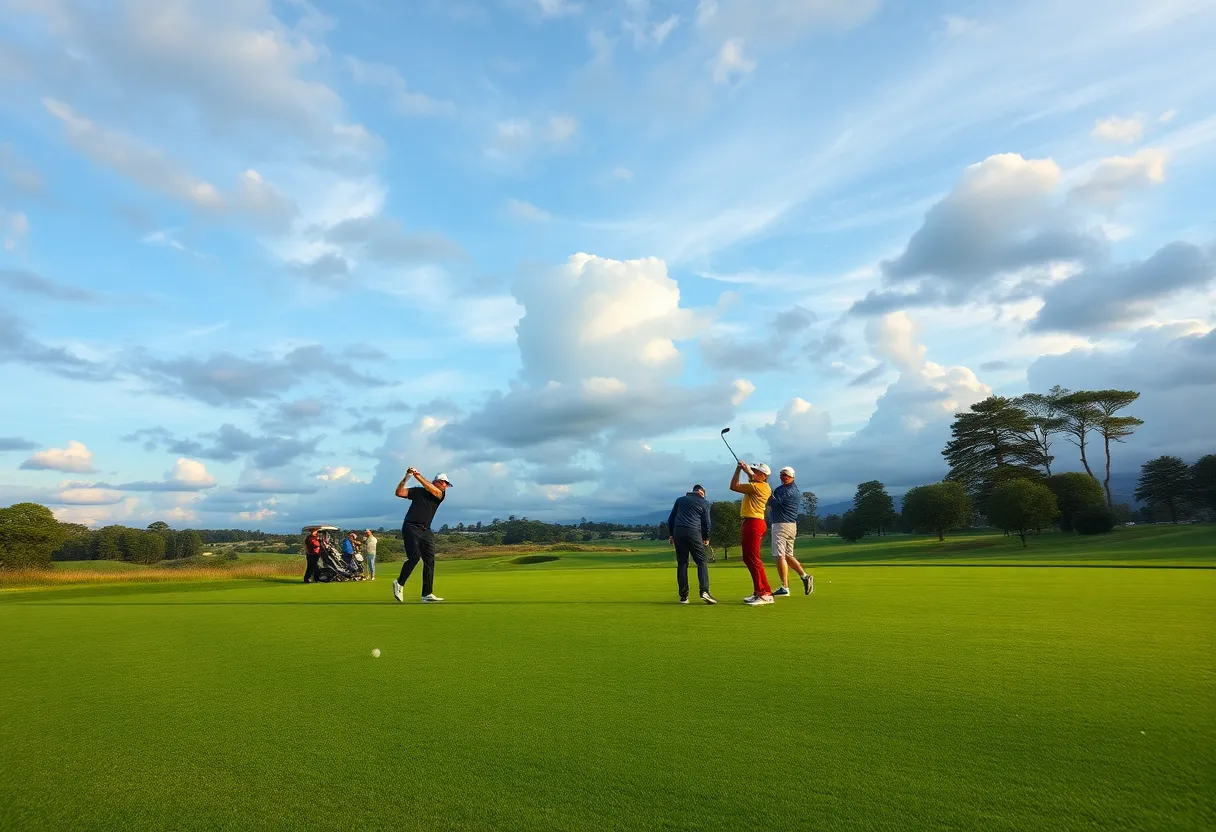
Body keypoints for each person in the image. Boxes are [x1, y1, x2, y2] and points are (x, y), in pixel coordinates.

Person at [392, 468, 452, 603]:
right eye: (444, 483)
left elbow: (432, 490)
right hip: (410, 526)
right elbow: (399, 492)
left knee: (429, 561)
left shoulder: (439, 494)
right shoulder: (418, 491)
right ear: (437, 481)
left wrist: (417, 475)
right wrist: (407, 476)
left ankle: (427, 594)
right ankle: (399, 583)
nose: (446, 487)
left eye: (447, 485)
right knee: (414, 557)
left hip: (425, 530)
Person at [730, 461, 774, 605]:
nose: (754, 474)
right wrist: (738, 470)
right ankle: (758, 591)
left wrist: (746, 470)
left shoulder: (762, 487)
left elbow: (740, 483)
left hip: (755, 523)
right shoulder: (753, 486)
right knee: (748, 558)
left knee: (754, 559)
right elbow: (733, 486)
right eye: (753, 471)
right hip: (749, 522)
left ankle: (765, 594)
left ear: (764, 476)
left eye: (757, 472)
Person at [666, 484, 717, 605]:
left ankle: (683, 596)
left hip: (678, 532)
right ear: (701, 492)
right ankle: (704, 591)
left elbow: (671, 519)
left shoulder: (680, 500)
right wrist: (706, 537)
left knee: (682, 563)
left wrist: (671, 535)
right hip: (694, 532)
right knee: (701, 561)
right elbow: (707, 523)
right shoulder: (703, 502)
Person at [768, 466, 813, 596]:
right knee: (788, 555)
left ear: (792, 477)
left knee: (780, 555)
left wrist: (766, 490)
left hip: (781, 525)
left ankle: (785, 587)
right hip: (791, 526)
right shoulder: (793, 490)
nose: (783, 477)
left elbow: (772, 503)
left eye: (786, 475)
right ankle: (805, 576)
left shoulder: (786, 492)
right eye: (781, 475)